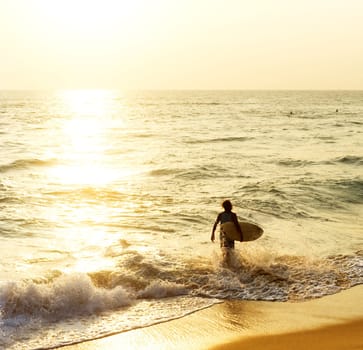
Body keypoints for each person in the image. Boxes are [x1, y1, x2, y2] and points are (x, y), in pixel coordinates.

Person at [211, 200, 243, 264]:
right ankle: (227, 262)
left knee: (227, 249)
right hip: (225, 234)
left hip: (227, 235)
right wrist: (241, 235)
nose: (228, 207)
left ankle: (226, 262)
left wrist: (213, 233)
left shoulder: (226, 215)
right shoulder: (228, 215)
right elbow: (237, 225)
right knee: (228, 249)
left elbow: (237, 225)